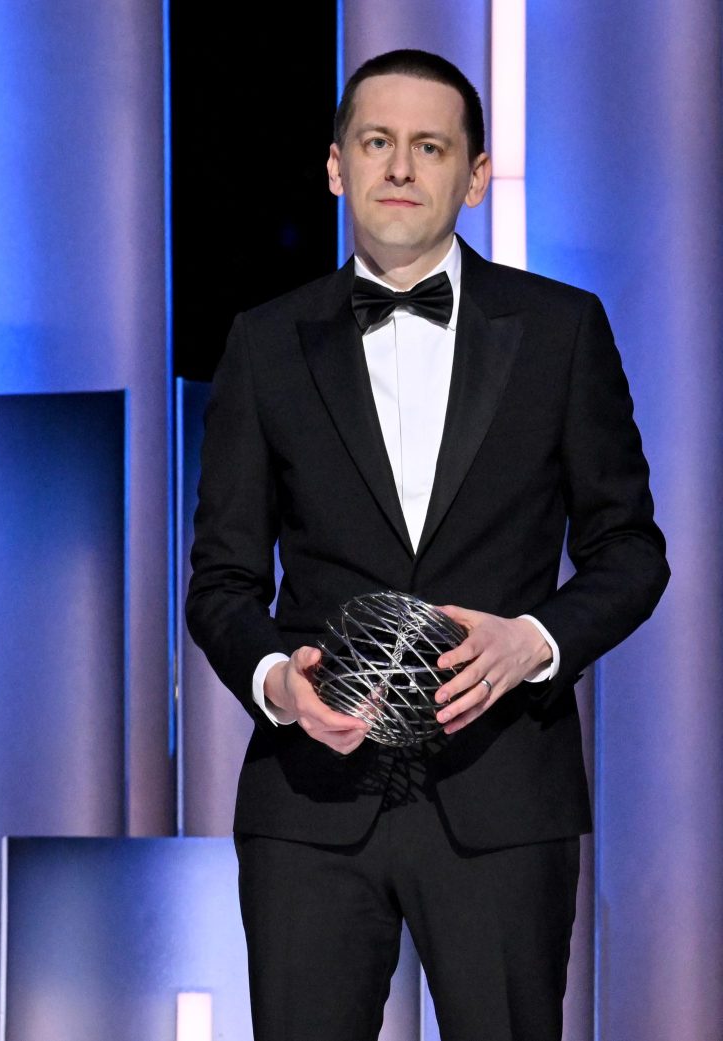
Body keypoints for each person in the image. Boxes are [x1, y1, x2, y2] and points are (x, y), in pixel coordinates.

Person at [186, 50, 667, 1041]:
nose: (399, 167)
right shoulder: (265, 343)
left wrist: (533, 640)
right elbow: (223, 580)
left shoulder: (561, 331)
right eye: (377, 142)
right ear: (335, 166)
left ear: (475, 175)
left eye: (429, 146)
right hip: (309, 805)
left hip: (502, 799)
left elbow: (631, 551)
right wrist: (279, 682)